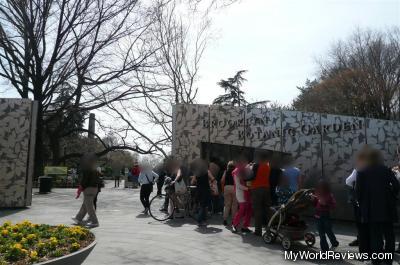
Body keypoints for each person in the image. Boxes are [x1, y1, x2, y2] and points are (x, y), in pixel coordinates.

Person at [356, 148, 399, 265]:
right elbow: (396, 185)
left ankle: (376, 260)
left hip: (371, 209)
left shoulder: (362, 172)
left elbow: (358, 192)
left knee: (375, 236)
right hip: (387, 208)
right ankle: (388, 260)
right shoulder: (386, 170)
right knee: (389, 235)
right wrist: (391, 196)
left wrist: (362, 203)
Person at [345, 150, 367, 247]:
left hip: (360, 200)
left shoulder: (358, 169)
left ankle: (362, 241)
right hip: (373, 201)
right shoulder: (376, 168)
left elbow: (348, 181)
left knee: (360, 224)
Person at [72, 154, 101, 228]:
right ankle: (78, 218)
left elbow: (85, 180)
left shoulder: (87, 169)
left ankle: (95, 222)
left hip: (88, 189)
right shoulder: (96, 169)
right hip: (95, 188)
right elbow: (99, 180)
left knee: (89, 206)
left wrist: (81, 187)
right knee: (85, 205)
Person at [312, 179, 339, 251]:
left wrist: (325, 204)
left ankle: (334, 243)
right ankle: (324, 249)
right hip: (318, 215)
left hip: (325, 215)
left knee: (328, 231)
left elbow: (334, 205)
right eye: (319, 187)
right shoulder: (317, 193)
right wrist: (313, 199)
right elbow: (314, 205)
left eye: (322, 187)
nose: (320, 189)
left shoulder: (329, 195)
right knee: (321, 233)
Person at [250, 152, 272, 236]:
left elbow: (252, 176)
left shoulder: (256, 165)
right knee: (268, 209)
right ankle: (270, 230)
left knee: (258, 210)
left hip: (257, 188)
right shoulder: (268, 166)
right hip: (266, 188)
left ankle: (258, 231)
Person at [191, 159, 216, 227]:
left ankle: (204, 220)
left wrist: (197, 181)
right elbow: (213, 179)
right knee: (203, 206)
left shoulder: (197, 172)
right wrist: (211, 184)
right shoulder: (207, 171)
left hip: (198, 190)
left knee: (202, 206)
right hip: (205, 190)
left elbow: (192, 182)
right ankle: (199, 221)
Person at [231, 166, 253, 233]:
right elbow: (238, 185)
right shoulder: (236, 171)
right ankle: (234, 224)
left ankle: (245, 226)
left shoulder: (247, 169)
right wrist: (248, 188)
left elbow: (249, 181)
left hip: (248, 192)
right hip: (240, 192)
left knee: (249, 208)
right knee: (242, 208)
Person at [221, 161, 238, 226]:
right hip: (234, 187)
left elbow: (222, 180)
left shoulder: (226, 171)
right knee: (234, 205)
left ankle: (225, 219)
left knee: (227, 204)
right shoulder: (236, 171)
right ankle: (233, 220)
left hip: (226, 187)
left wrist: (223, 189)